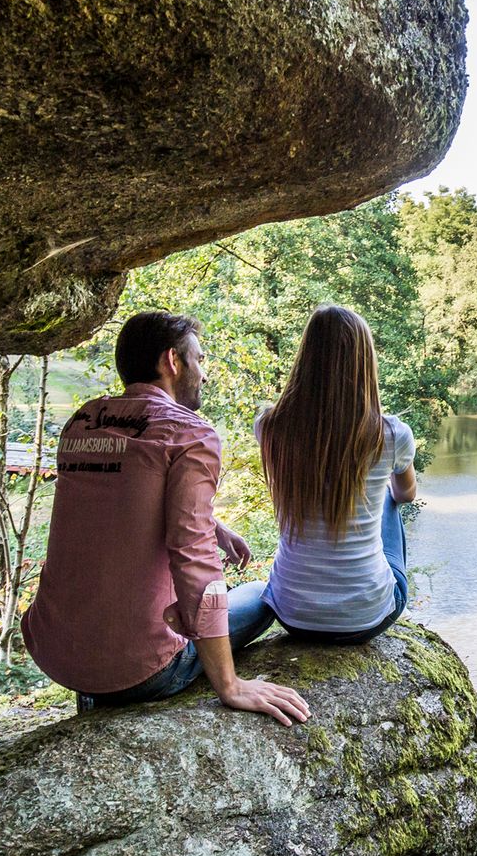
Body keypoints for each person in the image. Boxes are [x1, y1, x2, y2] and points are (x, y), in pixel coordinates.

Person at [21, 311, 309, 726]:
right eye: (200, 359)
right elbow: (194, 558)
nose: (204, 374)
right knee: (265, 592)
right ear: (172, 362)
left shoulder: (81, 422)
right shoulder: (191, 434)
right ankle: (130, 680)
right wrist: (229, 684)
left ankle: (97, 690)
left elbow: (120, 502)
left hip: (55, 654)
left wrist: (213, 524)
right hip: (143, 671)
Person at [229, 305, 418, 646]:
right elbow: (406, 495)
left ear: (306, 358)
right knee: (390, 497)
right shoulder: (391, 435)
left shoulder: (270, 426)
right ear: (364, 362)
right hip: (366, 616)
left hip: (292, 614)